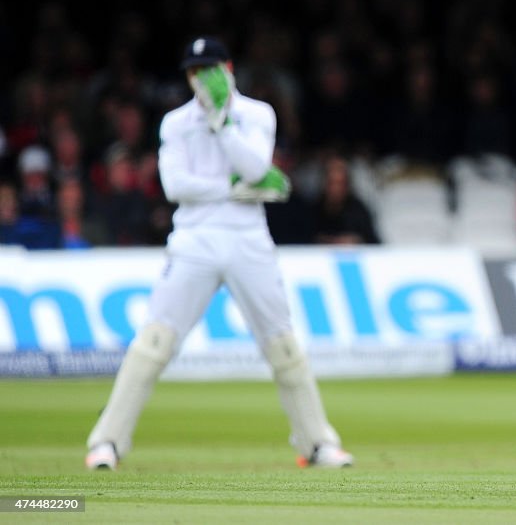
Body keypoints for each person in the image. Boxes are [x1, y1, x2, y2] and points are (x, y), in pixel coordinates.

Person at [85, 37, 353, 470]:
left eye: (209, 68)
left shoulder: (256, 114)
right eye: (194, 71)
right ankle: (106, 443)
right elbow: (176, 187)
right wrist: (233, 190)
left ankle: (317, 443)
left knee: (282, 345)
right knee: (154, 343)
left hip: (249, 240)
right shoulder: (175, 122)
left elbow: (254, 168)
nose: (201, 78)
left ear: (228, 68)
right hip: (194, 240)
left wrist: (222, 121)